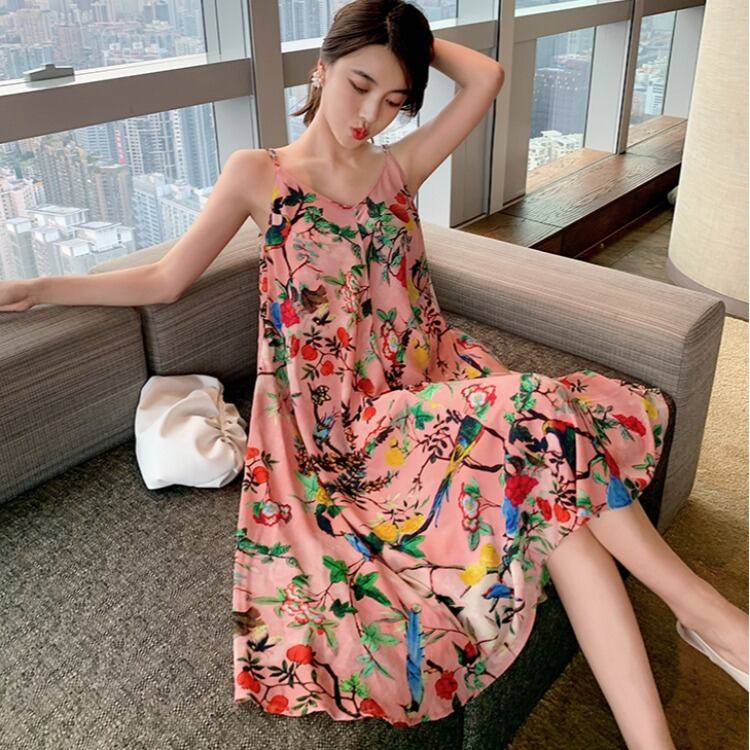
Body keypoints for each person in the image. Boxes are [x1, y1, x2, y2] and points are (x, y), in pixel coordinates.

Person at [0, 1, 746, 747]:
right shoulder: (259, 175)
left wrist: (405, 39)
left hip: (431, 391)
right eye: (359, 85)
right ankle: (705, 611)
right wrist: (39, 288)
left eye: (393, 100)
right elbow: (166, 280)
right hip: (343, 435)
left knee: (562, 511)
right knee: (540, 411)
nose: (369, 115)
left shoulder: (397, 169)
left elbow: (486, 76)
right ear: (320, 67)